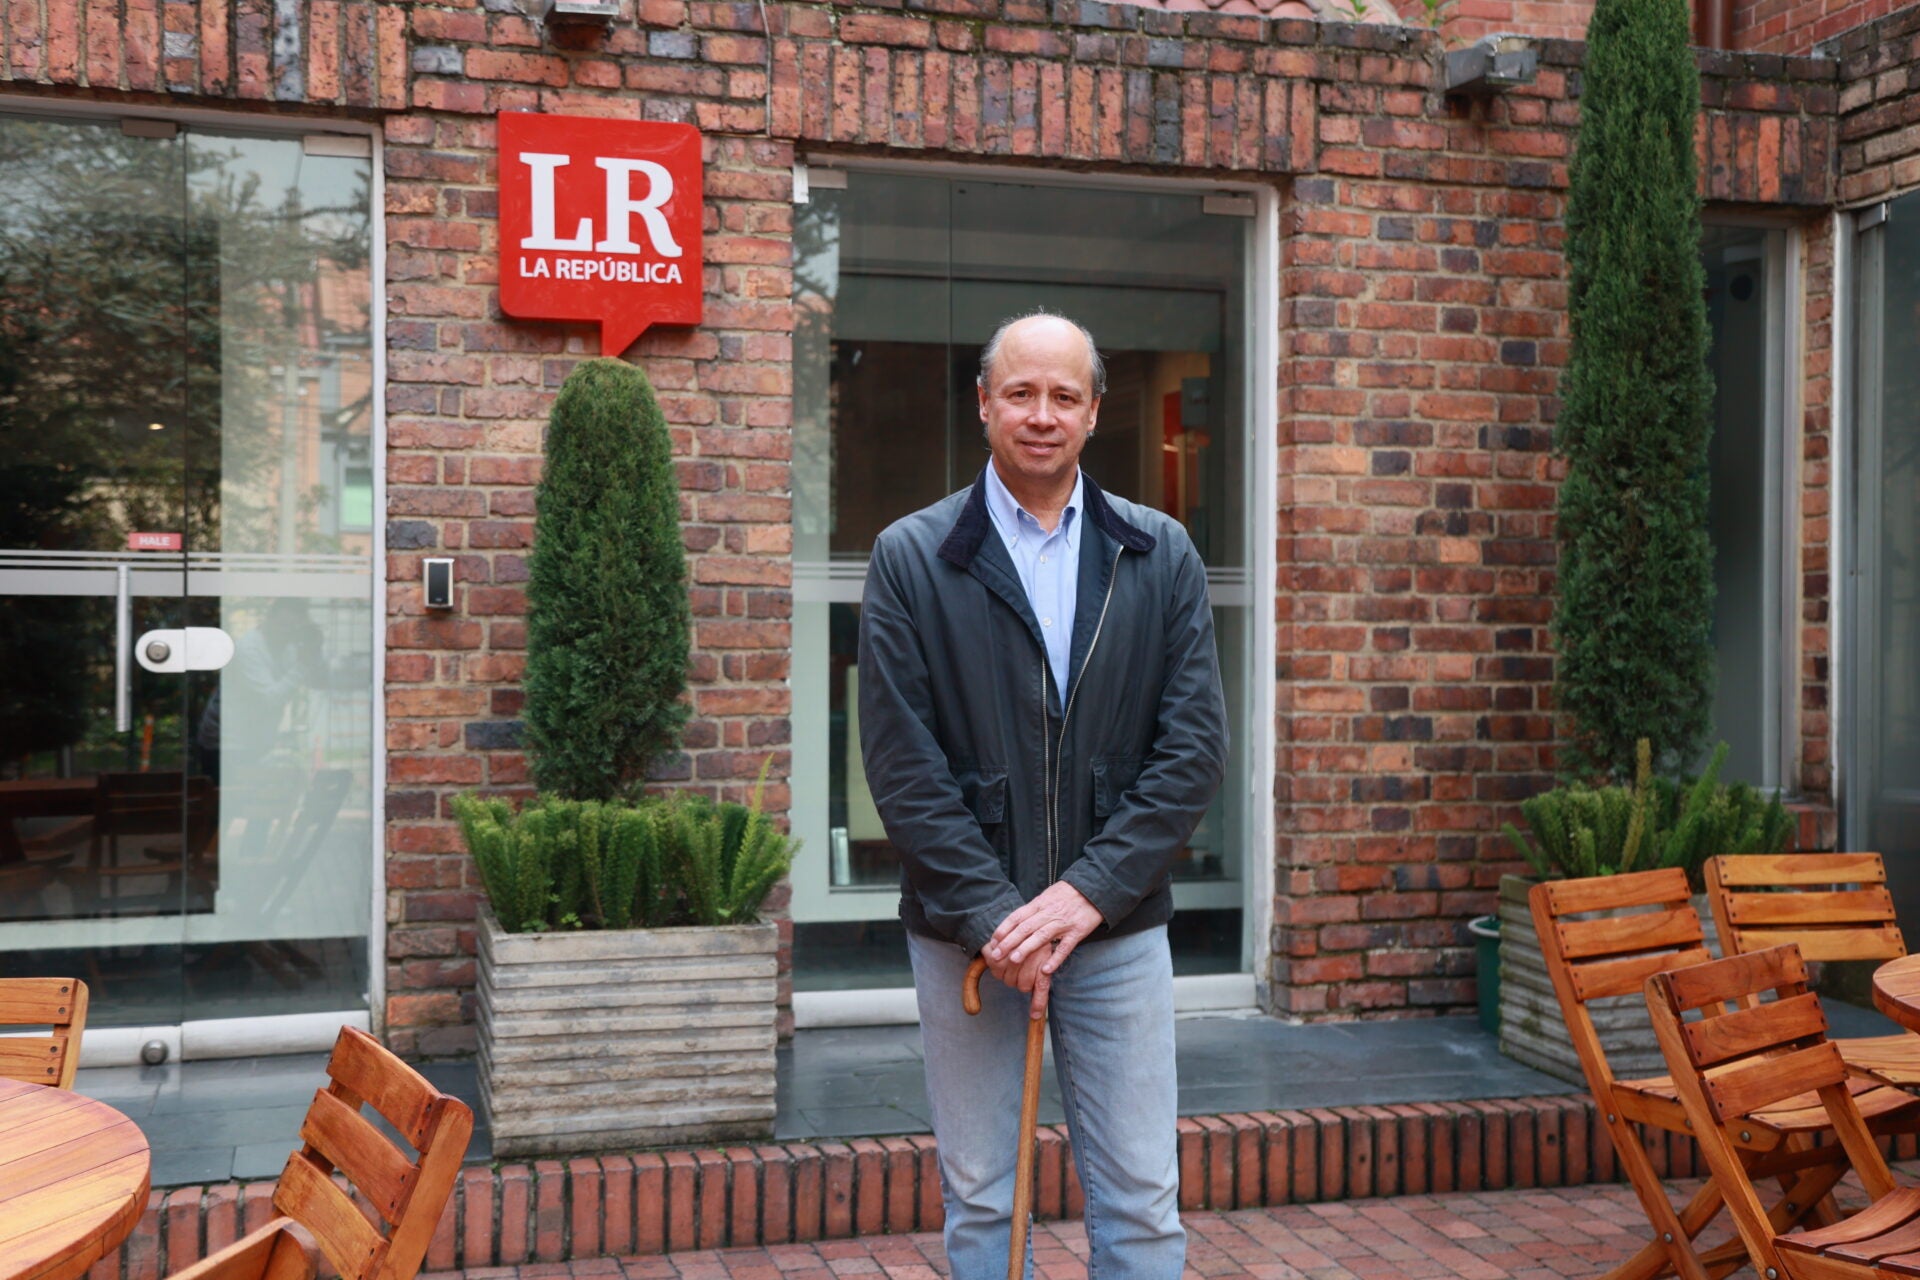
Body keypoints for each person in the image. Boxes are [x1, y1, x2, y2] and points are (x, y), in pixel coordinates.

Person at [858, 312, 1228, 1280]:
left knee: (1143, 1202)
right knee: (985, 1197)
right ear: (984, 403)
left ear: (1095, 412)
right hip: (968, 943)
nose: (1041, 413)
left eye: (1064, 395)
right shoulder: (911, 556)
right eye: (1019, 392)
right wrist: (997, 918)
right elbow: (903, 765)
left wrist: (1086, 893)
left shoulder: (1160, 554)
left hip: (1116, 931)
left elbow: (1190, 753)